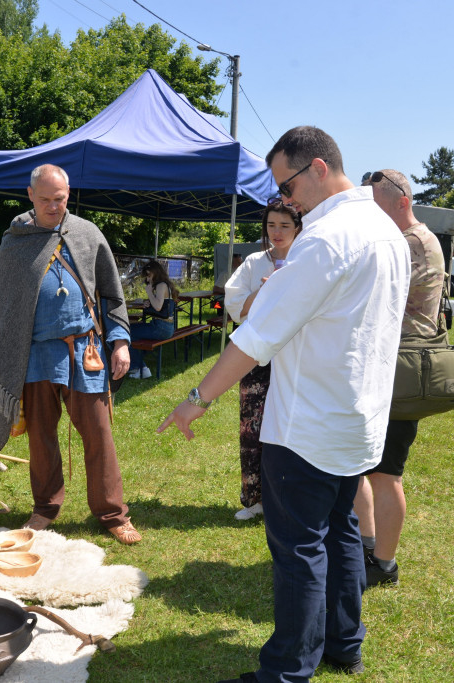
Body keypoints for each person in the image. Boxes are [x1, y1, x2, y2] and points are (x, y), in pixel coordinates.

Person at [159, 126, 410, 680]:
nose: (286, 200)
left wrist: (196, 399)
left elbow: (255, 337)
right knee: (343, 530)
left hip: (309, 425)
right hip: (356, 419)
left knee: (300, 549)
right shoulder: (384, 227)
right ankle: (344, 644)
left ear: (318, 168)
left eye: (288, 185)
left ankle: (286, 670)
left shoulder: (326, 239)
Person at [0, 164, 141, 545]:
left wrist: (119, 341)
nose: (54, 206)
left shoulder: (87, 234)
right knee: (41, 438)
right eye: (47, 199)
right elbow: (5, 306)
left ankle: (112, 514)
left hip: (86, 351)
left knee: (99, 434)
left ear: (69, 195)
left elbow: (113, 294)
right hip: (34, 355)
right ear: (31, 195)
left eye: (61, 199)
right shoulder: (15, 240)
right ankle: (45, 508)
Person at [353, 169, 446, 589]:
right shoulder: (415, 238)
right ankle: (367, 545)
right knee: (365, 465)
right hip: (393, 367)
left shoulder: (408, 243)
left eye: (377, 207)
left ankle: (383, 564)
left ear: (401, 202)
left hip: (400, 371)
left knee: (386, 471)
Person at [224, 199, 303, 521]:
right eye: (271, 225)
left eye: (284, 225)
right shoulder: (256, 262)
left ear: (298, 227)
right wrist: (265, 292)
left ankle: (290, 499)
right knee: (253, 426)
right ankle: (254, 498)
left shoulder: (307, 260)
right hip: (256, 357)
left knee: (293, 428)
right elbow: (235, 307)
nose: (277, 232)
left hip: (299, 355)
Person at [128, 260, 180, 379]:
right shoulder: (166, 284)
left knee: (128, 332)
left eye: (149, 275)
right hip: (166, 327)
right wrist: (149, 302)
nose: (147, 278)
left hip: (160, 327)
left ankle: (141, 368)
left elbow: (157, 306)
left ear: (156, 273)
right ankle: (136, 363)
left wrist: (149, 293)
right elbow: (161, 306)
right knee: (134, 332)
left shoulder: (161, 285)